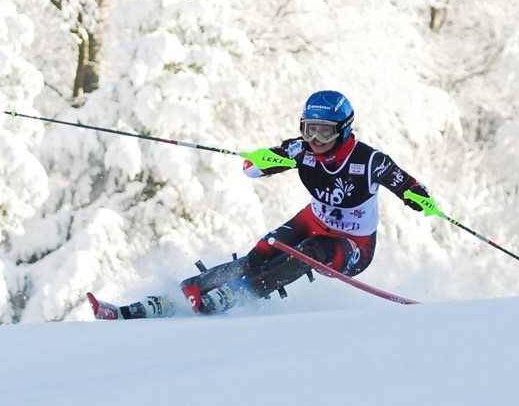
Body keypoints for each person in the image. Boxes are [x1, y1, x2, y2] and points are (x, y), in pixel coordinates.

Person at [88, 90, 430, 319]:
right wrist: (266, 159)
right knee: (263, 251)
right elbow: (251, 170)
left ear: (342, 131)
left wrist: (420, 199)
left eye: (324, 133)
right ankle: (177, 294)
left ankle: (238, 294)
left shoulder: (369, 161)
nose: (315, 140)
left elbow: (408, 186)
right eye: (309, 130)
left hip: (353, 243)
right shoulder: (302, 150)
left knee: (311, 250)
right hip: (312, 219)